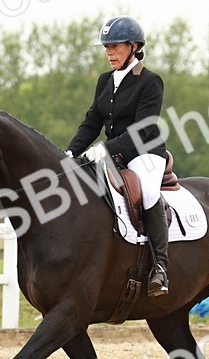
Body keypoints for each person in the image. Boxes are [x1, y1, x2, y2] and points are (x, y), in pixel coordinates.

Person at [66, 15, 170, 296]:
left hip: (145, 153)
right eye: (106, 47)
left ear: (134, 47)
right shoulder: (104, 81)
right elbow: (91, 122)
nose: (109, 52)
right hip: (114, 155)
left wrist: (105, 149)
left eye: (116, 46)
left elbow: (143, 130)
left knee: (147, 193)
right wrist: (70, 152)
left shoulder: (150, 81)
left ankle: (161, 266)